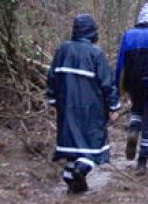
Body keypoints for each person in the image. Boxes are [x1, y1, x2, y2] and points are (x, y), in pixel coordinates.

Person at [47, 14, 121, 194]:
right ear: (92, 32)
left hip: (66, 107)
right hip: (91, 108)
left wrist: (53, 99)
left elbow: (52, 76)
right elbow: (107, 82)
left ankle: (70, 175)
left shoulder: (63, 49)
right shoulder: (95, 53)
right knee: (93, 147)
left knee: (72, 142)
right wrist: (114, 106)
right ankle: (80, 170)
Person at [115, 3, 148, 175]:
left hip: (133, 83)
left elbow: (120, 65)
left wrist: (119, 88)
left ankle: (133, 130)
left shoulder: (128, 35)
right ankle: (142, 162)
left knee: (136, 109)